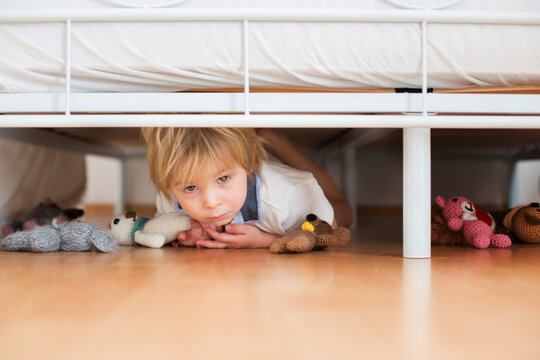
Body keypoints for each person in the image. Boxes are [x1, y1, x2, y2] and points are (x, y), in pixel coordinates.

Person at [140, 127, 352, 249]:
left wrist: (263, 240)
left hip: (304, 194)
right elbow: (159, 227)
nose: (211, 203)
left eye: (223, 179)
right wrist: (185, 234)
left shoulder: (285, 198)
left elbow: (328, 232)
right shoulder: (170, 193)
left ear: (249, 161)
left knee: (345, 212)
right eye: (191, 187)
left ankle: (278, 143)